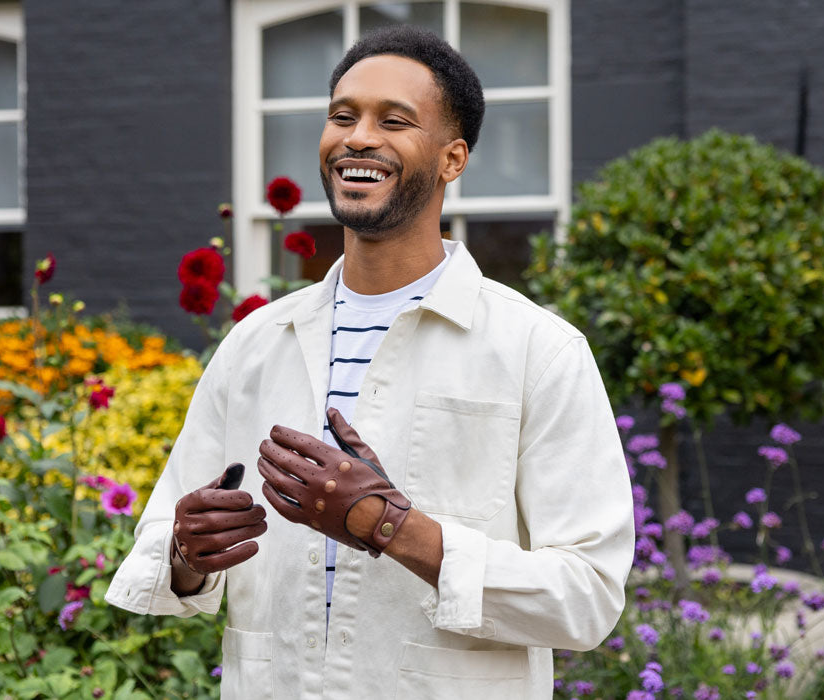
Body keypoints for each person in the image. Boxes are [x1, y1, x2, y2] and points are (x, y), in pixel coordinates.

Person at [106, 25, 634, 699]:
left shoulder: (538, 350)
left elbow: (587, 597)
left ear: (452, 158)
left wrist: (394, 529)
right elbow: (164, 549)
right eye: (342, 116)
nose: (358, 137)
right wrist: (187, 552)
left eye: (394, 120)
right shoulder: (254, 344)